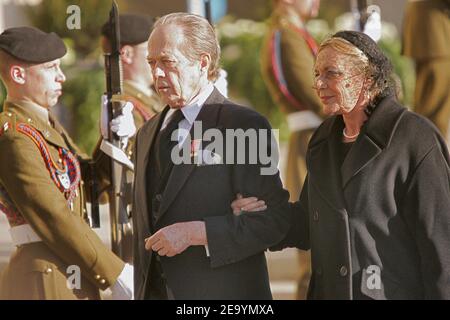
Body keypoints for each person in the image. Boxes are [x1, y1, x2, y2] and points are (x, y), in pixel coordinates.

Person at [233, 31, 450, 299]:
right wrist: (259, 213)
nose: (319, 84)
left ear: (367, 79)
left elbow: (441, 246)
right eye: (316, 75)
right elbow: (309, 223)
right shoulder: (323, 140)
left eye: (331, 73)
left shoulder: (414, 138)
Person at [132, 12, 292, 300]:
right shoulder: (147, 133)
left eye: (167, 62)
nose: (156, 74)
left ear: (202, 63)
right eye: (151, 63)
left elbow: (275, 220)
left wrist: (197, 232)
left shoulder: (244, 125)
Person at [0, 27, 135, 300]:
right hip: (44, 277)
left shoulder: (44, 126)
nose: (61, 77)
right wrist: (114, 272)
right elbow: (53, 214)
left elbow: (89, 185)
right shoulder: (14, 135)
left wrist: (110, 140)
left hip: (67, 268)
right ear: (18, 75)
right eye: (51, 68)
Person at [260, 0, 324, 299]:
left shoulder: (294, 32)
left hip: (315, 135)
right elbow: (317, 93)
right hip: (310, 141)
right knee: (317, 249)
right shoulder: (285, 35)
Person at [402, 0, 450, 144]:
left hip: (431, 27)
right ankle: (428, 157)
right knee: (434, 107)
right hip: (434, 29)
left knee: (429, 103)